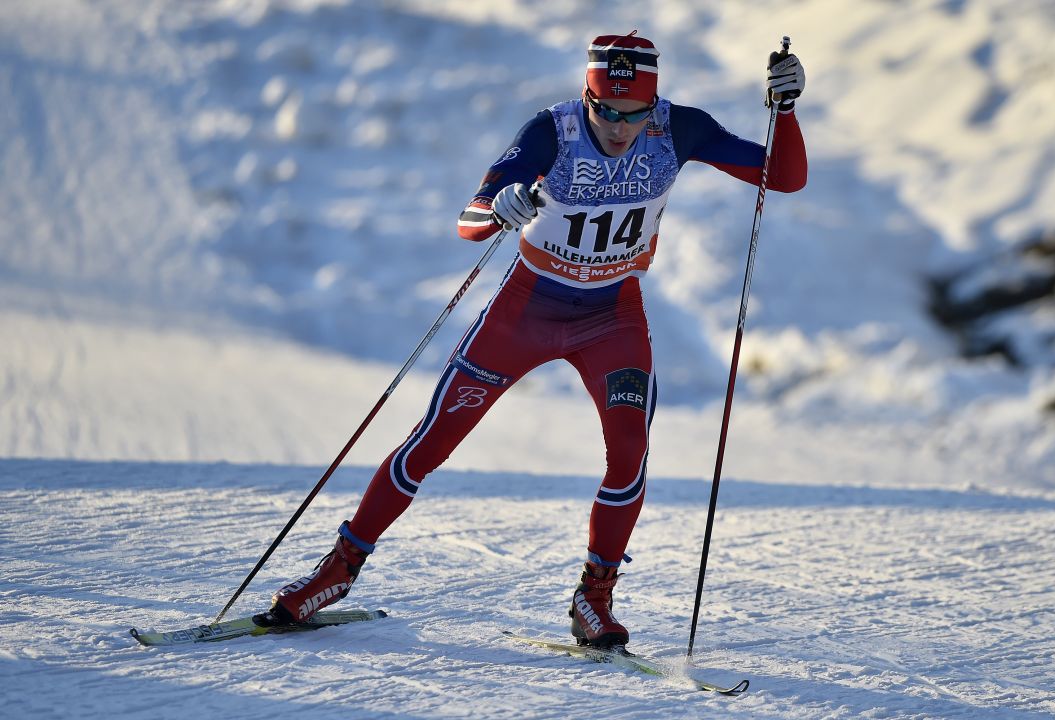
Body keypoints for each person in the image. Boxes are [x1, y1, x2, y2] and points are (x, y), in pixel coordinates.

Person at [267, 31, 807, 648]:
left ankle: (593, 598)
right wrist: (501, 206)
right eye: (606, 110)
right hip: (528, 308)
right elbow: (469, 222)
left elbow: (781, 178)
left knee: (630, 453)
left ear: (653, 103)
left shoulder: (679, 129)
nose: (620, 127)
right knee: (433, 440)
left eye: (634, 114)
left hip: (612, 315)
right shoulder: (551, 132)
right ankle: (337, 570)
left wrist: (785, 113)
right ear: (588, 93)